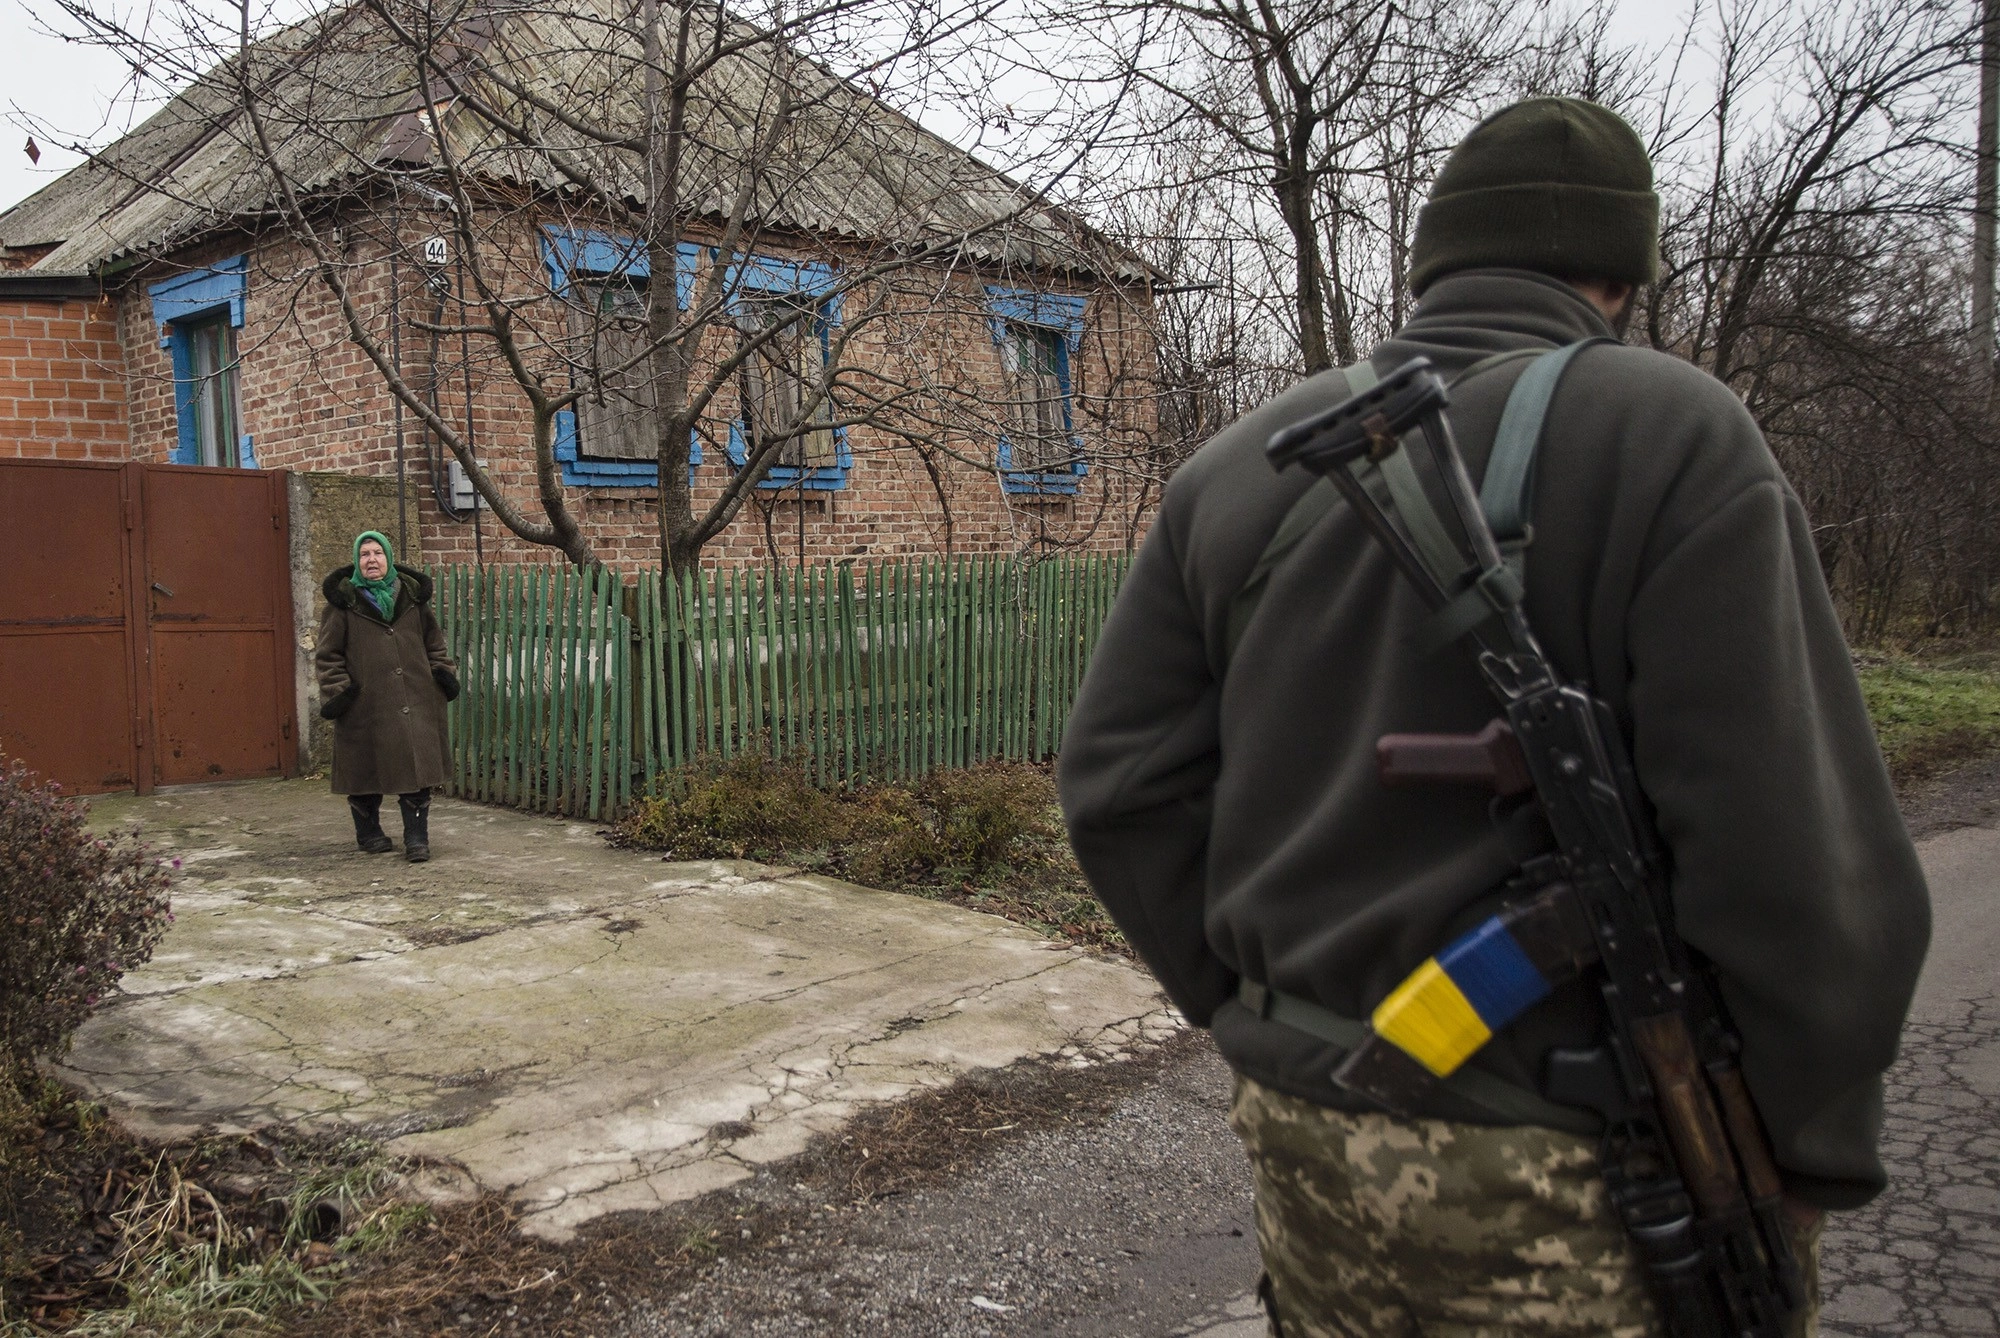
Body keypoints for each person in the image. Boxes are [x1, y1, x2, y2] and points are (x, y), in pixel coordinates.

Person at [1057, 97, 1930, 1337]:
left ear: (1432, 266)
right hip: (1593, 1167)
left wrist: (1269, 1020)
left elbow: (1114, 789)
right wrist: (1801, 1147)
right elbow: (1793, 863)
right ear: (1622, 277)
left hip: (1306, 1152)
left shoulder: (1235, 471)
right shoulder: (1668, 432)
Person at [316, 531, 460, 863]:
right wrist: (341, 691)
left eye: (377, 553)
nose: (371, 560)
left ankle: (416, 838)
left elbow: (434, 644)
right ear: (356, 561)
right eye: (364, 554)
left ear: (389, 558)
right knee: (365, 772)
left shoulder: (412, 599)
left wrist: (442, 673)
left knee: (417, 771)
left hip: (417, 698)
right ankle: (369, 833)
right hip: (365, 705)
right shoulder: (343, 605)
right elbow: (328, 656)